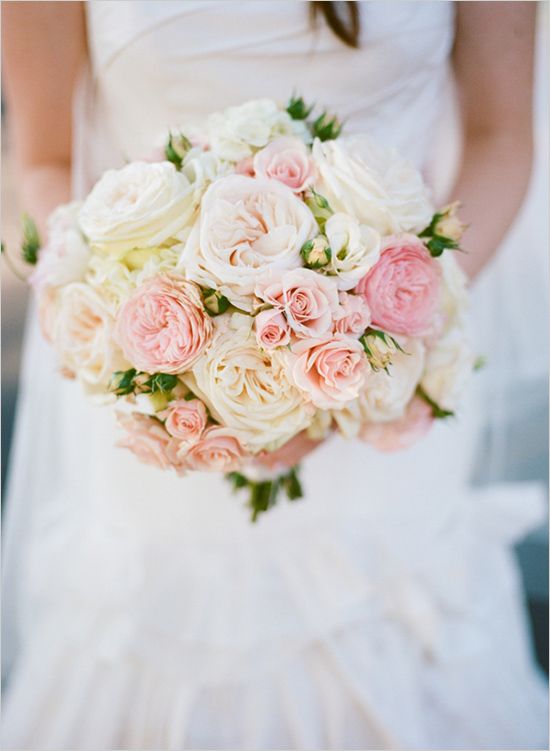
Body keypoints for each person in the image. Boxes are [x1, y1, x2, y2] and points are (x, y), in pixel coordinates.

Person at [1, 2, 547, 748]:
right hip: (159, 393)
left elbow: (501, 138)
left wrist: (384, 324)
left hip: (382, 397)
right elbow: (43, 162)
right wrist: (142, 330)